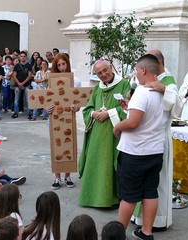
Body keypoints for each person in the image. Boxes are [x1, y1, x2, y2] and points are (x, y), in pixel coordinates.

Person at [113, 54, 168, 240]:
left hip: (135, 152)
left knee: (129, 195)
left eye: (136, 70)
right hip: (155, 151)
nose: (136, 73)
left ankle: (118, 234)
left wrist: (118, 126)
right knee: (150, 192)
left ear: (143, 70)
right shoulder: (165, 93)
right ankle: (146, 232)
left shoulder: (142, 92)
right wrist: (130, 107)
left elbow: (134, 122)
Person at [131, 49, 182, 231]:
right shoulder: (146, 80)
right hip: (144, 138)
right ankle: (140, 219)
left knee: (157, 182)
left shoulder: (168, 81)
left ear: (159, 63)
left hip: (159, 139)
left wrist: (165, 90)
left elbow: (178, 105)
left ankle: (157, 221)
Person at [78, 58, 130, 208]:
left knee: (110, 164)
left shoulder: (123, 84)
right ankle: (91, 197)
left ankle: (110, 199)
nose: (103, 74)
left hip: (113, 135)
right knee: (95, 163)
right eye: (99, 73)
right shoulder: (97, 88)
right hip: (96, 135)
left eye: (105, 70)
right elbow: (88, 108)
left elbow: (128, 108)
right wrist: (94, 113)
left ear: (111, 68)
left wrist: (109, 113)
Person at [46, 53, 81, 189]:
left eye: (63, 64)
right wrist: (47, 108)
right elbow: (46, 100)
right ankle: (57, 177)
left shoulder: (76, 81)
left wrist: (76, 107)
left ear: (68, 64)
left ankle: (67, 176)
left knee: (69, 146)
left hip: (68, 118)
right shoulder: (51, 82)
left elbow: (78, 103)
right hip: (55, 119)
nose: (61, 67)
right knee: (56, 147)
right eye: (59, 65)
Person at [12, 51, 33, 119]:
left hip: (26, 84)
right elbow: (14, 76)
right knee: (16, 99)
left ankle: (29, 113)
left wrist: (22, 83)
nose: (23, 57)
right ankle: (15, 113)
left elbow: (29, 76)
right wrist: (19, 83)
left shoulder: (29, 65)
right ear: (19, 57)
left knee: (27, 99)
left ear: (26, 57)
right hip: (17, 85)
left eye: (24, 56)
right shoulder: (16, 66)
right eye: (21, 56)